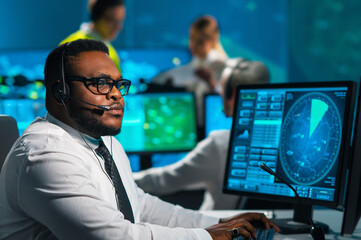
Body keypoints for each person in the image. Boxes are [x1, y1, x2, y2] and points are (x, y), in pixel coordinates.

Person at [0, 39, 278, 239]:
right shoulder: (45, 154)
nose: (116, 94)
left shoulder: (104, 142)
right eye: (100, 84)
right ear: (60, 92)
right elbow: (114, 237)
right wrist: (207, 236)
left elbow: (139, 205)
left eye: (118, 84)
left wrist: (222, 222)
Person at [134, 58, 270, 210]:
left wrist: (126, 178)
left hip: (216, 226)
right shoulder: (272, 145)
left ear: (232, 97)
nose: (219, 94)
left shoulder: (220, 144)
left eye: (221, 90)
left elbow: (165, 180)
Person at [152, 15, 228, 127]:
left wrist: (211, 83)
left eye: (200, 41)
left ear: (213, 39)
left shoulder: (221, 66)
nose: (193, 45)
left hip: (213, 125)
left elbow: (225, 103)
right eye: (192, 38)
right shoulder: (193, 65)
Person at [60, 0, 125, 72]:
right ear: (96, 17)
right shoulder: (71, 47)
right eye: (112, 20)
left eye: (120, 20)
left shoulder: (111, 51)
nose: (119, 26)